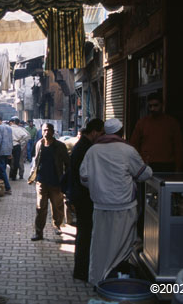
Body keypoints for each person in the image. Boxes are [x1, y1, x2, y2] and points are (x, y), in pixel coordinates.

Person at [80, 118, 153, 286]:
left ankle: (98, 280)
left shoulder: (93, 151)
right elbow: (145, 174)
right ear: (121, 133)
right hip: (124, 207)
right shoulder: (128, 151)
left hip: (100, 206)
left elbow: (84, 178)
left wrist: (99, 185)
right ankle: (115, 282)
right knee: (122, 246)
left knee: (100, 244)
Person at [64, 119, 104, 282]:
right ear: (94, 132)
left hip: (80, 196)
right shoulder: (85, 148)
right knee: (85, 233)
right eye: (101, 134)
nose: (101, 138)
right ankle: (81, 270)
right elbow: (84, 176)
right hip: (83, 197)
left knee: (84, 232)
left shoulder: (83, 146)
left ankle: (82, 269)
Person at [29, 123, 70, 241]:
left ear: (53, 131)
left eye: (49, 130)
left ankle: (57, 225)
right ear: (42, 131)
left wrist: (65, 179)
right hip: (41, 182)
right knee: (40, 208)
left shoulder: (60, 146)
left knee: (57, 206)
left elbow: (68, 163)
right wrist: (32, 176)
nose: (46, 132)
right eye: (44, 130)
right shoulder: (39, 144)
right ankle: (39, 232)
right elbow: (36, 161)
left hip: (56, 182)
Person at [130, 92, 183, 172]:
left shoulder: (172, 123)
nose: (152, 109)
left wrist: (178, 168)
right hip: (146, 164)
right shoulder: (142, 123)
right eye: (150, 106)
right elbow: (134, 144)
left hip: (167, 165)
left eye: (155, 105)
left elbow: (178, 147)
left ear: (162, 104)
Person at [0, 116, 13, 195]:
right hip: (7, 150)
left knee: (1, 170)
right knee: (3, 169)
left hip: (1, 151)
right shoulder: (9, 127)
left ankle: (7, 187)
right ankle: (3, 187)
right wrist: (10, 152)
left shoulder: (0, 127)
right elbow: (11, 140)